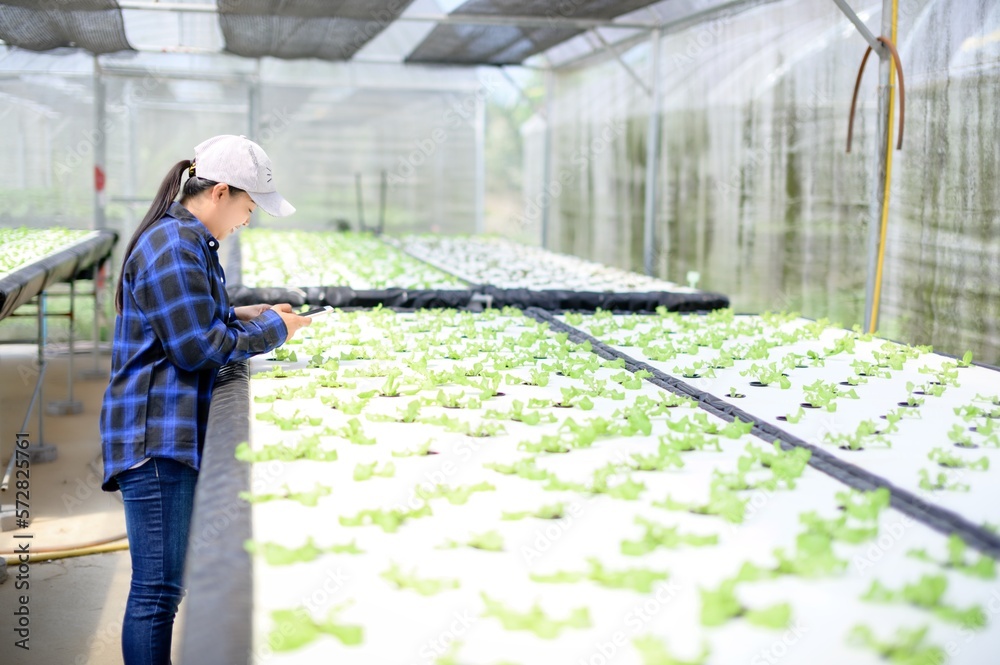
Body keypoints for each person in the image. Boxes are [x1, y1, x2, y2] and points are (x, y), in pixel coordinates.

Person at [99, 135, 311, 665]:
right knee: (157, 593)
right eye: (247, 207)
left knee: (164, 587)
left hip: (164, 430)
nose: (248, 219)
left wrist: (246, 311)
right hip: (155, 438)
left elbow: (190, 315)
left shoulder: (185, 240)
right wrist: (274, 330)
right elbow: (199, 348)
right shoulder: (175, 245)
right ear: (220, 193)